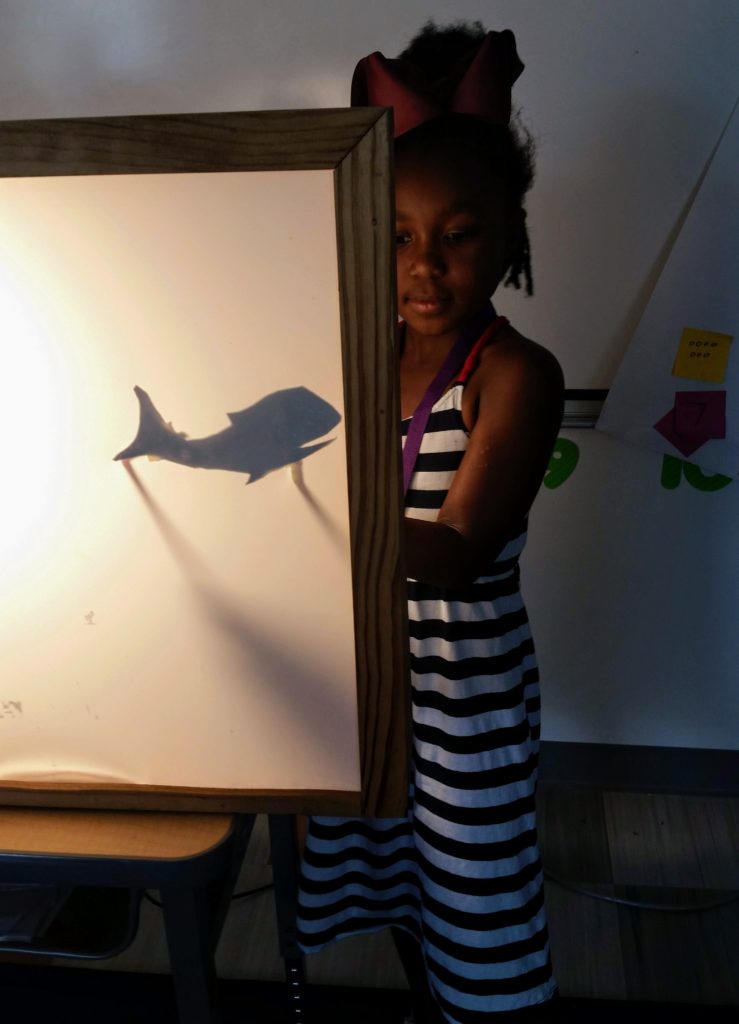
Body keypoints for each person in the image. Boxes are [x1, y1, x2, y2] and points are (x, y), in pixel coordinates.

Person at [298, 21, 564, 1023]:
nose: (423, 265)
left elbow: (451, 555)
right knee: (407, 895)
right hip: (373, 685)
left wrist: (303, 512)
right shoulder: (363, 359)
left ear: (510, 236)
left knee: (482, 920)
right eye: (399, 233)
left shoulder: (513, 374)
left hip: (468, 700)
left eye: (457, 235)